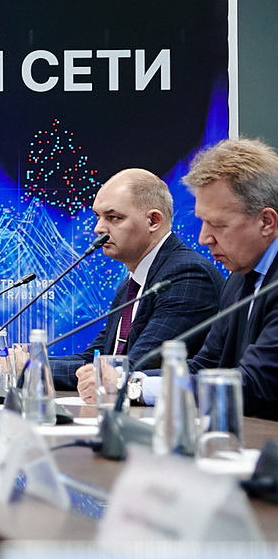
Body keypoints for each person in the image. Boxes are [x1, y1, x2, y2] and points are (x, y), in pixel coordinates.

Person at [137, 138, 278, 421]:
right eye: (202, 221)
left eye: (218, 224)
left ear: (266, 222)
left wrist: (145, 389)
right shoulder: (239, 278)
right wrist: (131, 380)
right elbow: (206, 365)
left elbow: (256, 385)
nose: (204, 238)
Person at [52, 169, 221, 401]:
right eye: (98, 216)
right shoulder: (133, 282)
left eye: (113, 218)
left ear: (153, 221)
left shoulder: (187, 276)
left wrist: (33, 369)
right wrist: (30, 364)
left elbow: (134, 368)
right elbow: (97, 359)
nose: (98, 228)